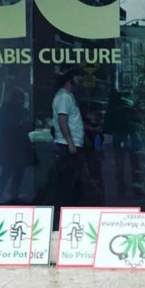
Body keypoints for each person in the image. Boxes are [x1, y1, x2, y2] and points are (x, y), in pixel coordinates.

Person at [51, 67, 85, 210]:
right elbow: (62, 120)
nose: (80, 79)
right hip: (65, 145)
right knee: (67, 182)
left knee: (72, 181)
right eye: (78, 76)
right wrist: (70, 143)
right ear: (70, 78)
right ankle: (63, 212)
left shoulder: (68, 96)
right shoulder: (64, 97)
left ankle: (68, 210)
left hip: (70, 144)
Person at [0, 86, 35, 202]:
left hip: (18, 144)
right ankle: (1, 195)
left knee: (16, 172)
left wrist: (24, 125)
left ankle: (13, 196)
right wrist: (21, 125)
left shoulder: (21, 110)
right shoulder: (6, 110)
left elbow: (30, 124)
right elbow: (5, 127)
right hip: (10, 145)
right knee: (8, 172)